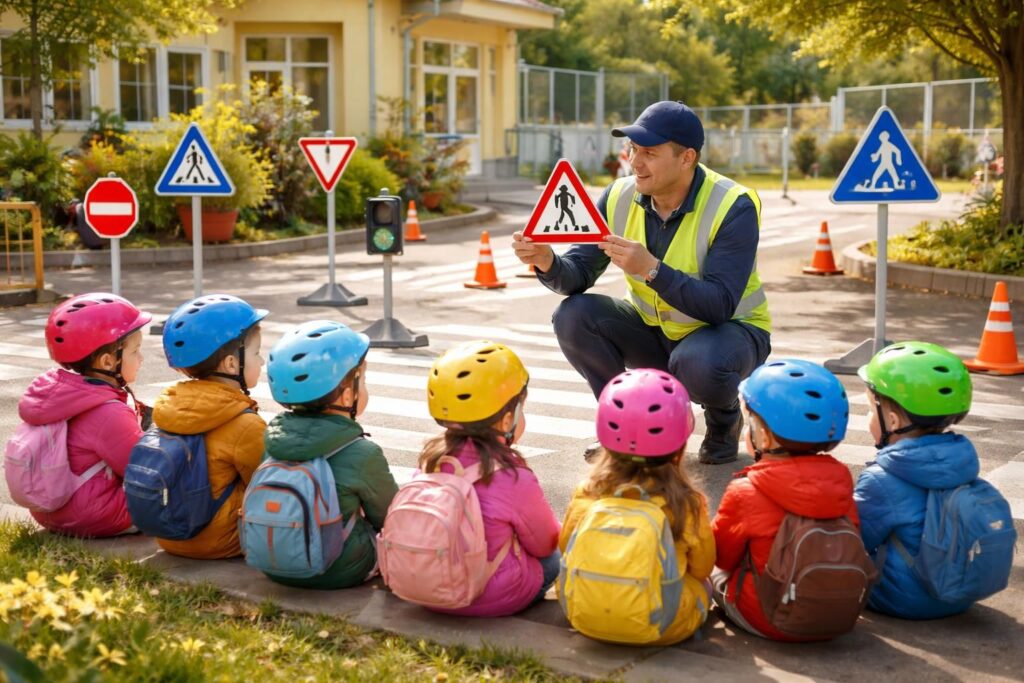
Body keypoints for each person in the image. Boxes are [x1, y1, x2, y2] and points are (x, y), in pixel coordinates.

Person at [511, 100, 771, 464]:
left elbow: (719, 305)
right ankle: (625, 424)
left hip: (730, 335)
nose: (634, 162)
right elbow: (579, 273)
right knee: (574, 315)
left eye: (649, 152)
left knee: (698, 363)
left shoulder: (733, 205)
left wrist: (652, 270)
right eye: (633, 149)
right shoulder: (619, 195)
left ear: (687, 158)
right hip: (657, 332)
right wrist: (547, 261)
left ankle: (724, 419)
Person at [855, 342, 1016, 619]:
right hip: (958, 595)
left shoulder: (881, 481)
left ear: (892, 422)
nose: (868, 416)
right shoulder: (961, 462)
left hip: (903, 599)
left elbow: (852, 539)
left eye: (871, 408)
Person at [558, 369, 715, 645]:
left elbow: (564, 546)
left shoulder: (588, 491)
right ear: (679, 447)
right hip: (662, 625)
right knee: (705, 586)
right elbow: (702, 568)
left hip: (582, 614)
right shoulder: (686, 502)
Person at [712, 359, 863, 641]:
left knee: (712, 572)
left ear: (764, 437)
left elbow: (722, 557)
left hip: (770, 619)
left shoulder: (745, 491)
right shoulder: (840, 480)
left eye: (751, 422)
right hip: (841, 614)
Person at [416, 341, 560, 617]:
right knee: (555, 557)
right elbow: (545, 543)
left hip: (428, 587)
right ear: (507, 421)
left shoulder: (431, 460)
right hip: (490, 595)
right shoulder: (513, 476)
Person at [259, 320, 398, 588]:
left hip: (272, 562)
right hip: (338, 569)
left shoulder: (273, 440)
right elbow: (390, 518)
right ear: (347, 397)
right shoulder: (362, 453)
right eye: (363, 379)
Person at [12, 293, 151, 537]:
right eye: (135, 351)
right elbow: (141, 469)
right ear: (108, 361)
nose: (141, 358)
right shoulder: (109, 413)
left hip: (49, 509)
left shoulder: (64, 394)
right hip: (95, 515)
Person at [152, 294, 267, 559]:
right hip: (220, 540)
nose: (261, 361)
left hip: (167, 535)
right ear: (231, 364)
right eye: (257, 353)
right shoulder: (244, 424)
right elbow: (267, 484)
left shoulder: (171, 406)